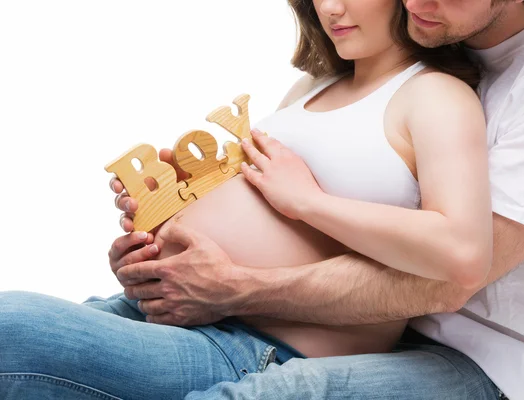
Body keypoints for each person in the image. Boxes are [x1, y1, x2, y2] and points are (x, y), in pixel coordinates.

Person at [0, 0, 497, 399]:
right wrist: (157, 241)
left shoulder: (435, 95)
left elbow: (459, 247)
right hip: (188, 312)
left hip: (266, 346)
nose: (330, 10)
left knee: (13, 329)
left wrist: (306, 201)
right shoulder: (311, 87)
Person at [114, 1, 524, 400]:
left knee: (279, 393)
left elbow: (451, 279)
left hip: (499, 363)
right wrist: (182, 214)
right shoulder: (427, 50)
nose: (412, 4)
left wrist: (237, 284)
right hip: (359, 329)